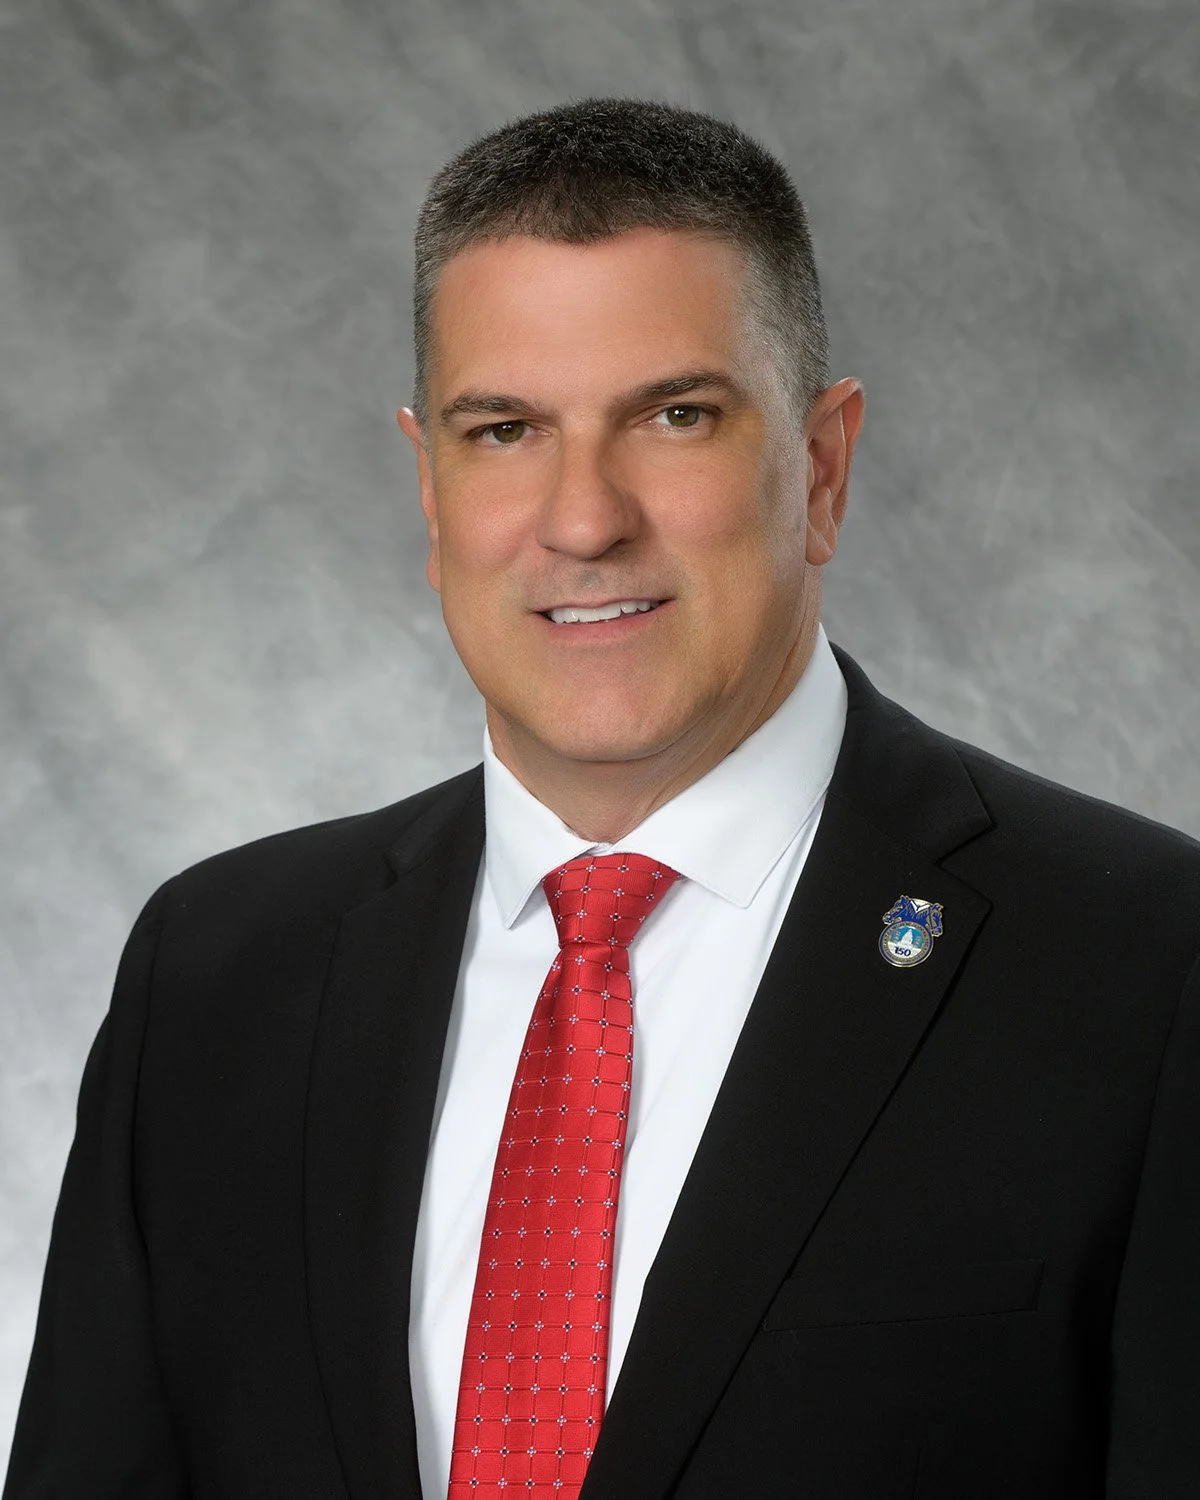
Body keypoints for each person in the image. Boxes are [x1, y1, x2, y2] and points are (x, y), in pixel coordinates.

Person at [5, 96, 1199, 1500]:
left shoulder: (1143, 970)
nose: (583, 519)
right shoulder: (216, 977)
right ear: (432, 491)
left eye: (674, 416)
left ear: (819, 468)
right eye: (504, 430)